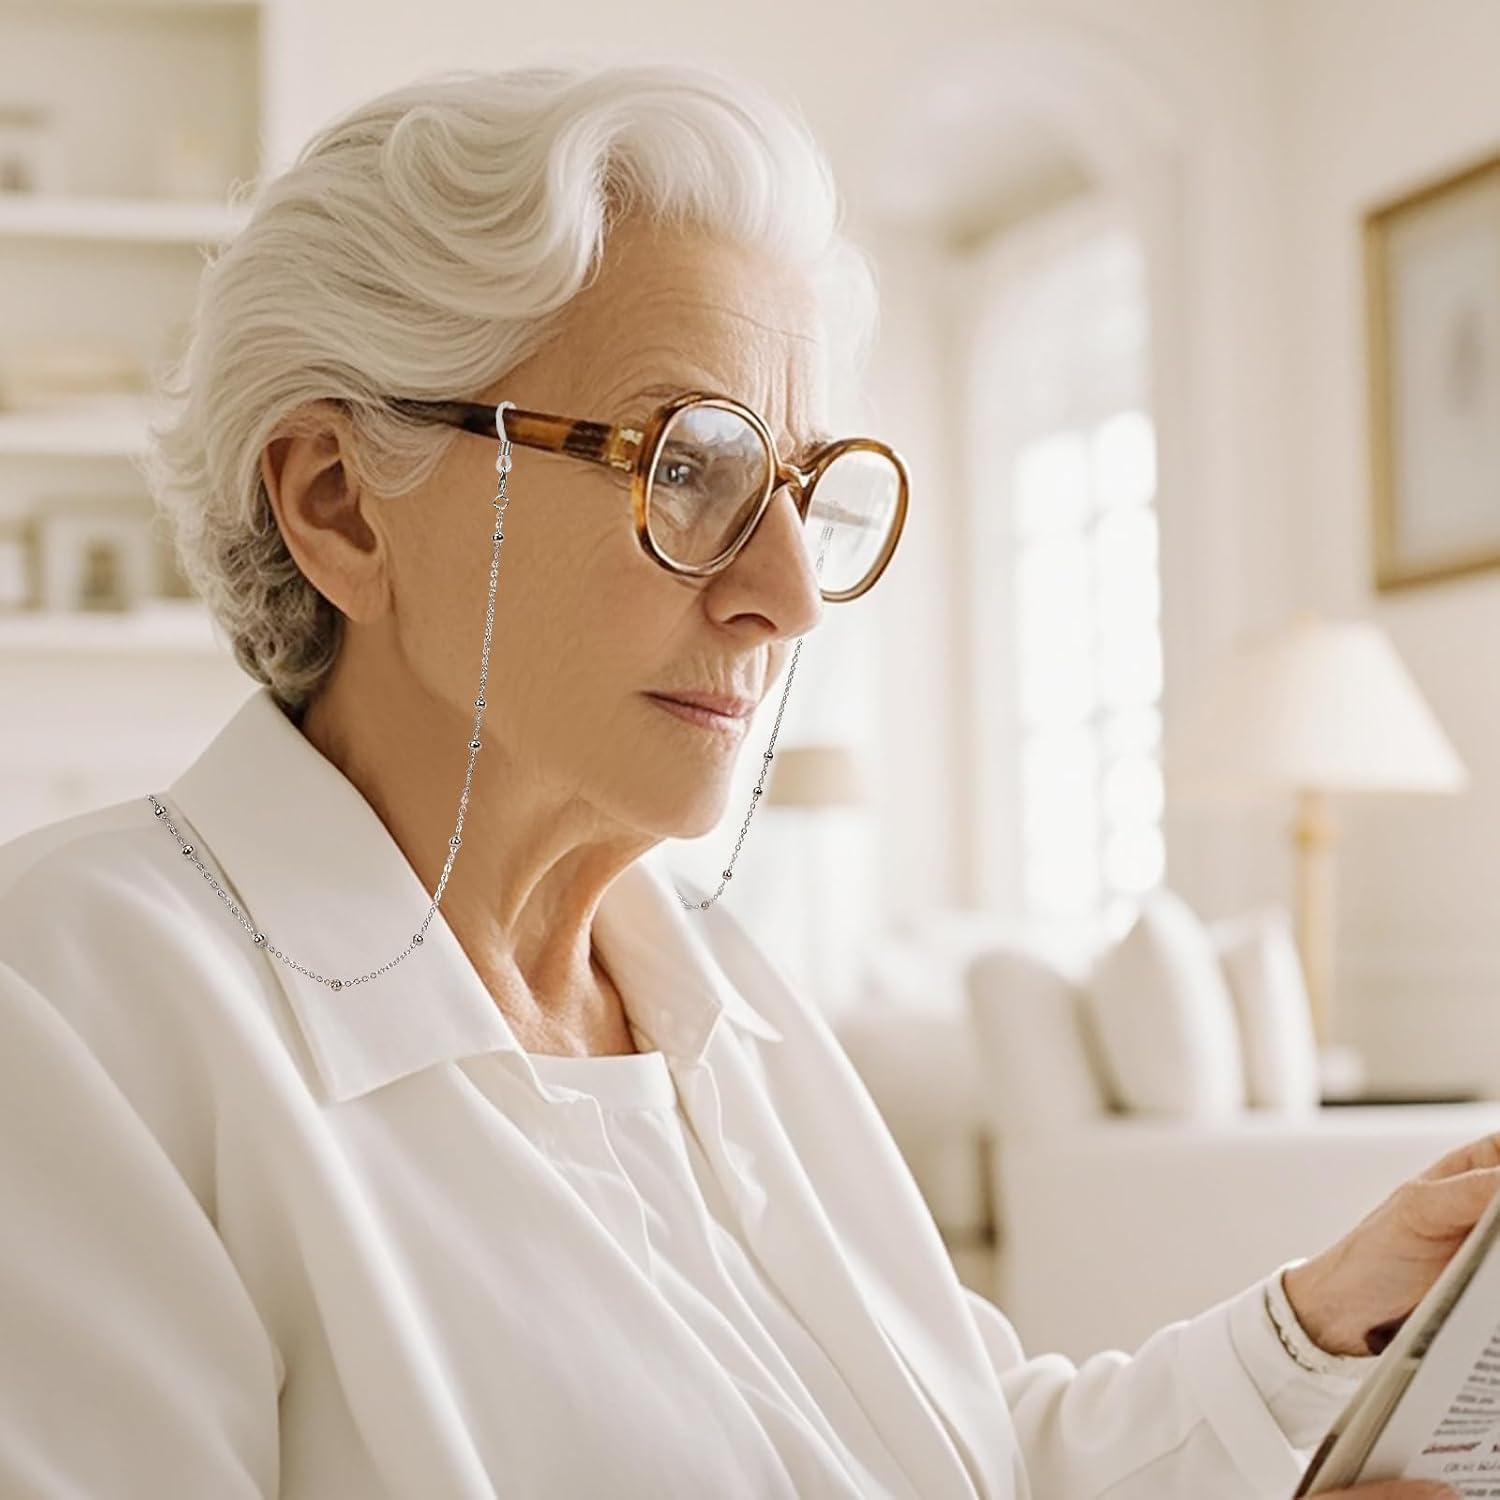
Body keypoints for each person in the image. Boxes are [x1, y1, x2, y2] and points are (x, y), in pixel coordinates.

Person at [0, 59, 1485, 1500]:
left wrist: (1318, 1325)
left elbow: (966, 1451)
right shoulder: (76, 1007)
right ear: (340, 504)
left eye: (798, 486)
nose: (792, 594)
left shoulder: (721, 990)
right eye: (683, 465)